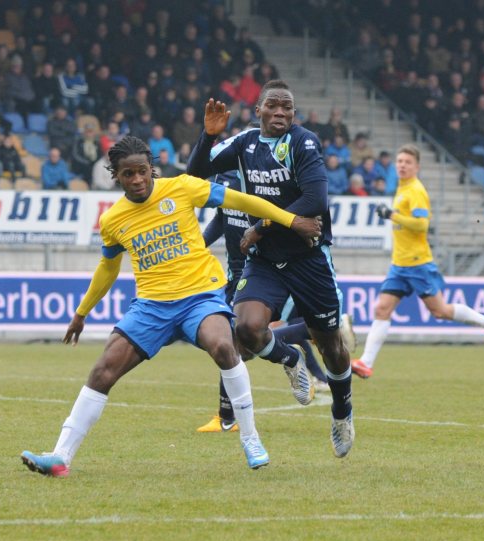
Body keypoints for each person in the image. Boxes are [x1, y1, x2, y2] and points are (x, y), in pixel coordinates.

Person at [20, 136, 321, 476]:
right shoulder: (113, 220)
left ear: (152, 169)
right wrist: (81, 313)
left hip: (199, 297)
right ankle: (61, 456)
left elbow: (243, 200)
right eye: (128, 174)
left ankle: (250, 438)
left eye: (142, 172)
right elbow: (108, 267)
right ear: (116, 176)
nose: (137, 180)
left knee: (224, 346)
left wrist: (291, 220)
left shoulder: (182, 188)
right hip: (151, 306)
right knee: (104, 369)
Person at [187, 80, 356, 458]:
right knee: (245, 328)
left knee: (330, 345)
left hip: (309, 257)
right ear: (258, 109)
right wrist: (207, 136)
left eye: (287, 108)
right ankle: (290, 357)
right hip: (264, 261)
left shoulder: (303, 142)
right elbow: (194, 177)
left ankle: (342, 410)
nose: (280, 113)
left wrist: (260, 226)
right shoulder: (244, 144)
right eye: (273, 106)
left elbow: (314, 199)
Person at [196, 171, 354, 433]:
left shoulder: (269, 180)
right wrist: (196, 246)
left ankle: (227, 415)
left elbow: (302, 206)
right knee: (239, 341)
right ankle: (229, 413)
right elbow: (220, 220)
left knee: (241, 342)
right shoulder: (224, 181)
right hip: (239, 272)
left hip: (277, 267)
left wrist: (261, 228)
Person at [351, 144, 484, 380]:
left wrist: (392, 215)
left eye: (407, 162)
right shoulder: (402, 188)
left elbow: (422, 225)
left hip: (417, 263)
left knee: (440, 311)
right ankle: (366, 363)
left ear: (417, 167)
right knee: (381, 308)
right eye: (400, 161)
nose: (402, 165)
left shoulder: (416, 191)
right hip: (399, 264)